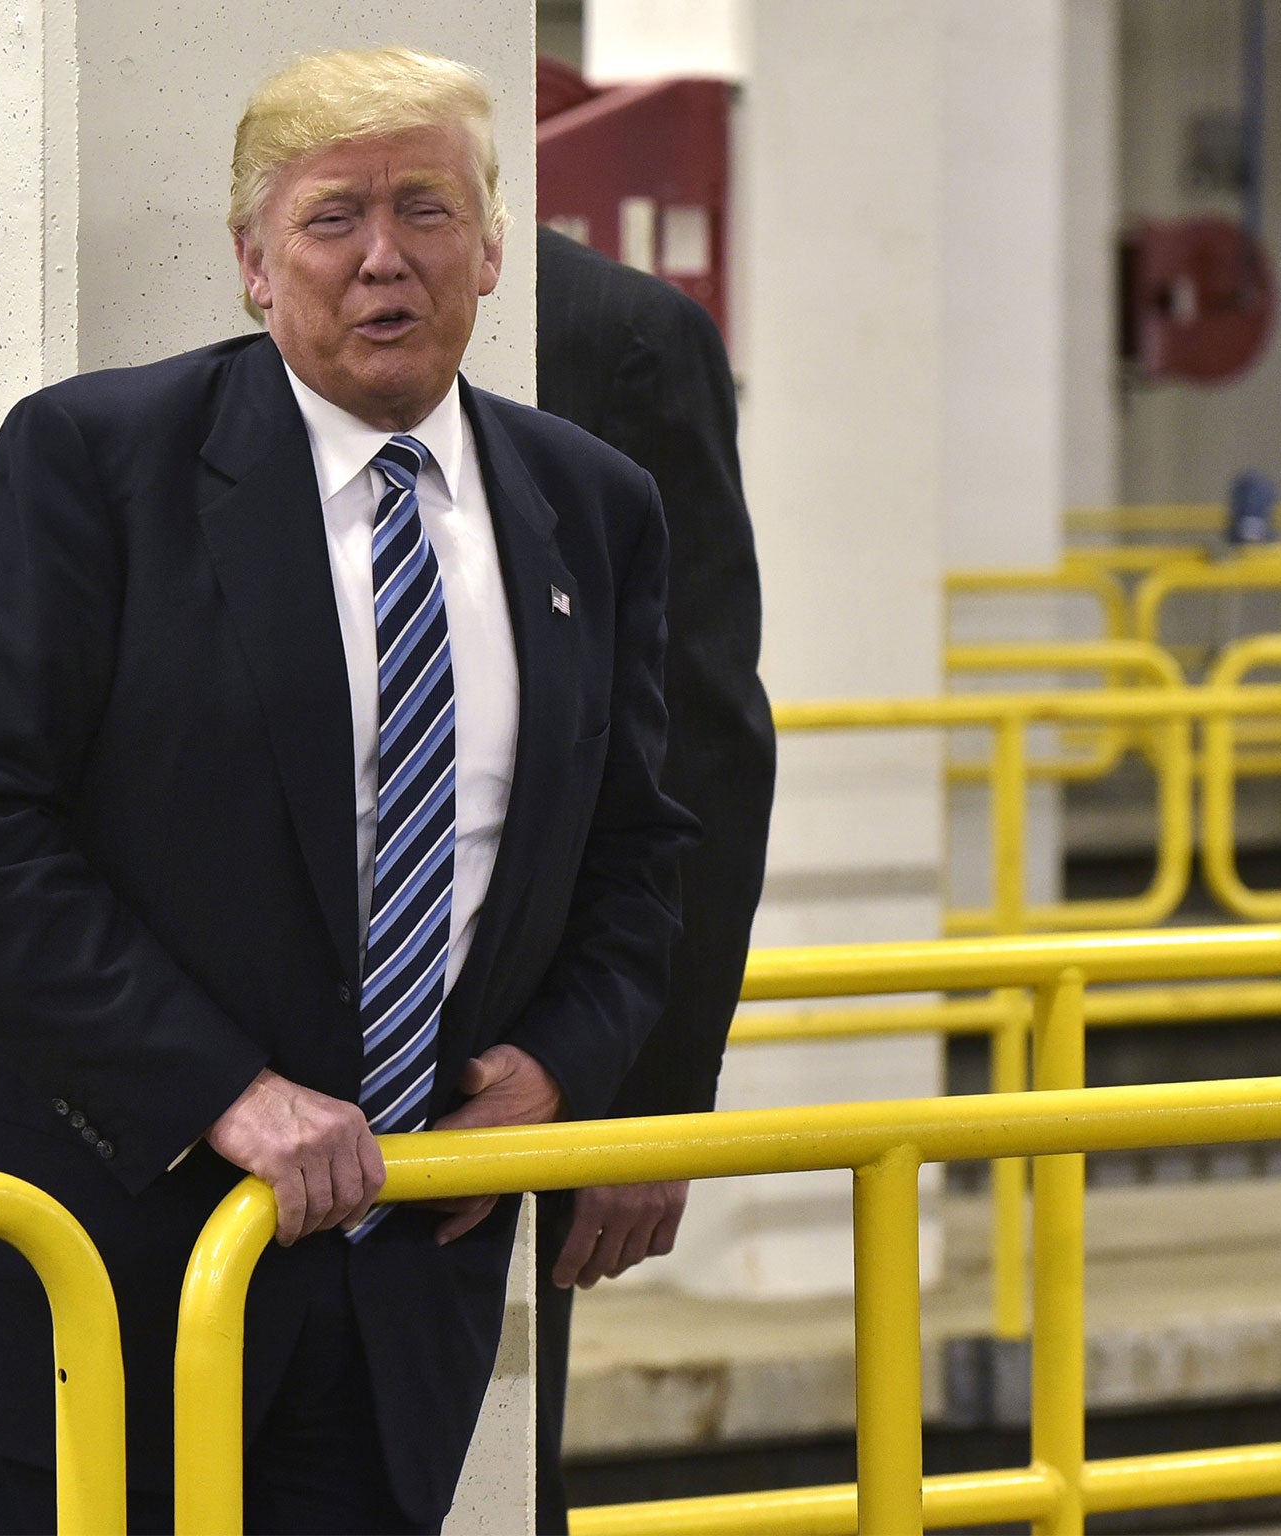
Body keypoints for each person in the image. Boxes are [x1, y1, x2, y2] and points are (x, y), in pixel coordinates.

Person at [0, 47, 692, 1535]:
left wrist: (560, 1071)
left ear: (494, 248)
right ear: (253, 263)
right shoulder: (99, 462)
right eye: (330, 219)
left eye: (428, 210)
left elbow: (635, 855)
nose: (385, 258)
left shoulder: (593, 508)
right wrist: (220, 1093)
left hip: (390, 1309)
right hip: (78, 1272)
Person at [530, 226, 775, 1532]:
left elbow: (699, 748)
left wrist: (652, 1102)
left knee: (486, 1477)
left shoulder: (615, 338)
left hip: (529, 1070)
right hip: (240, 1088)